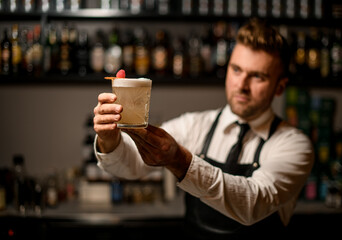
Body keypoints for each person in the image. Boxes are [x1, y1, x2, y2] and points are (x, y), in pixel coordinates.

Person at [93, 18, 314, 238]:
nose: (242, 85)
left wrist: (181, 161)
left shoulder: (294, 145)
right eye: (236, 70)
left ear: (280, 87)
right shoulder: (194, 125)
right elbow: (130, 166)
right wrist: (109, 140)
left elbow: (252, 203)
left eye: (258, 76)